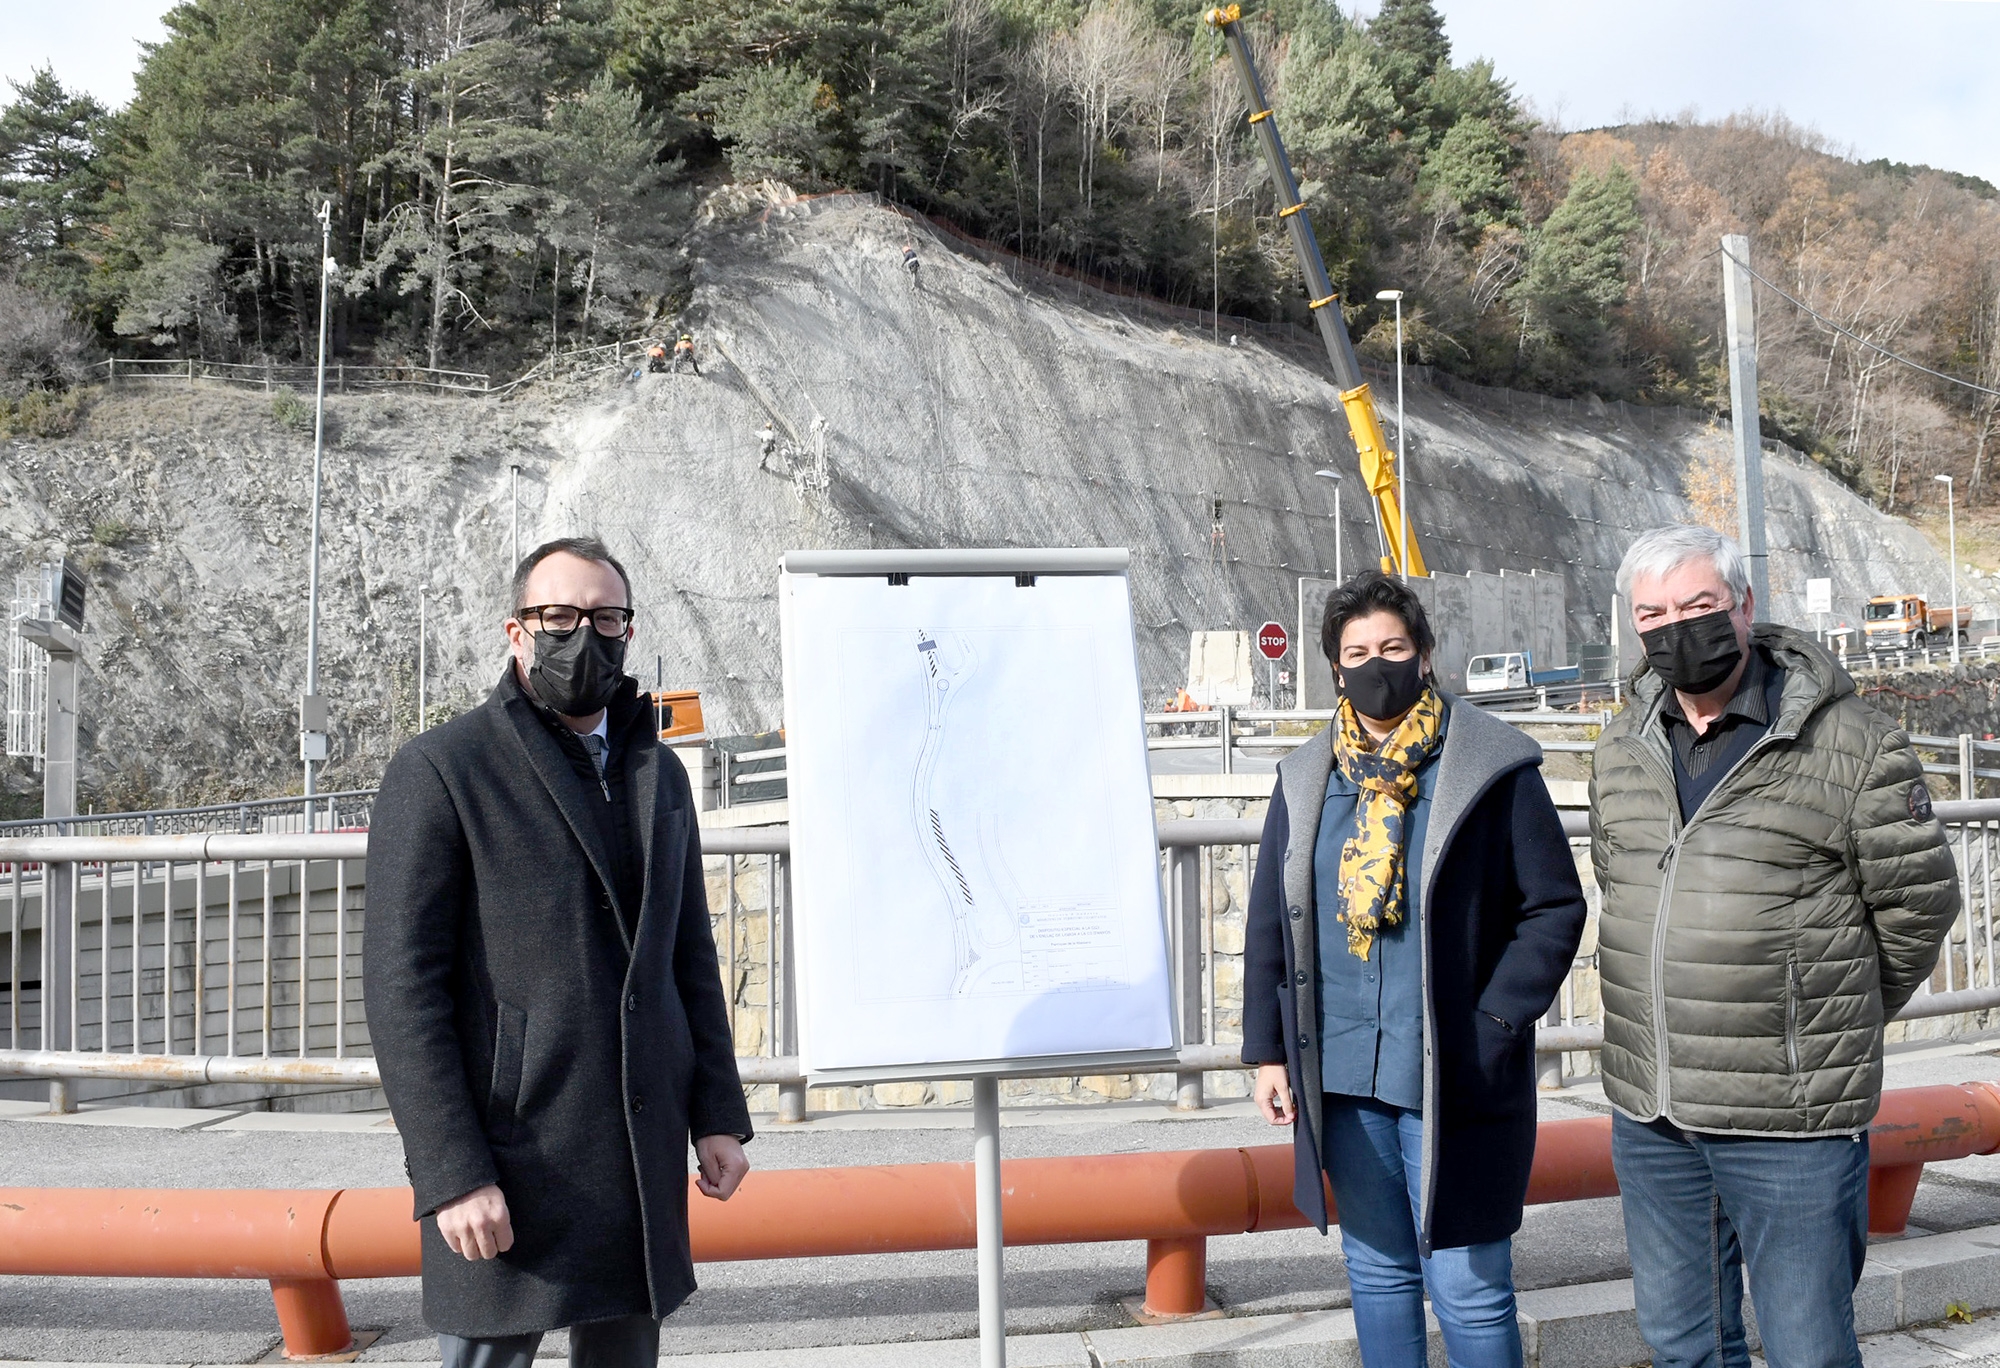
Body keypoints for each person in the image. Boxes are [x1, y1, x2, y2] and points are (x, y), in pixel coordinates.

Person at [366, 536, 751, 1368]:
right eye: (560, 617)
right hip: (511, 1152)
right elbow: (404, 992)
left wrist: (717, 1114)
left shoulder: (660, 773)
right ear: (516, 632)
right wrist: (450, 1172)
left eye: (606, 618)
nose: (585, 637)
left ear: (628, 632)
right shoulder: (443, 769)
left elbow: (688, 955)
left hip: (637, 1149)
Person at [1591, 525, 1959, 1368]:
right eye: (1652, 615)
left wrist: (1824, 1015)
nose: (1675, 630)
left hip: (1788, 1117)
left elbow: (1918, 904)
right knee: (1683, 1345)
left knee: (1808, 1349)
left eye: (1698, 606)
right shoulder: (1621, 746)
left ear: (1745, 607)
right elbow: (1623, 882)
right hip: (1655, 1110)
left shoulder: (1854, 742)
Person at [1244, 571, 1588, 1368]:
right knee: (1378, 1272)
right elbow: (1274, 919)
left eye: (1393, 647)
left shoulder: (1491, 764)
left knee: (1468, 1280)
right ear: (1334, 667)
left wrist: (1497, 1020)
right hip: (1343, 1070)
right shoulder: (1306, 775)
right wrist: (1267, 1051)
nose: (1376, 665)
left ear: (1426, 655)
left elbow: (1554, 908)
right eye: (1356, 652)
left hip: (1453, 1070)